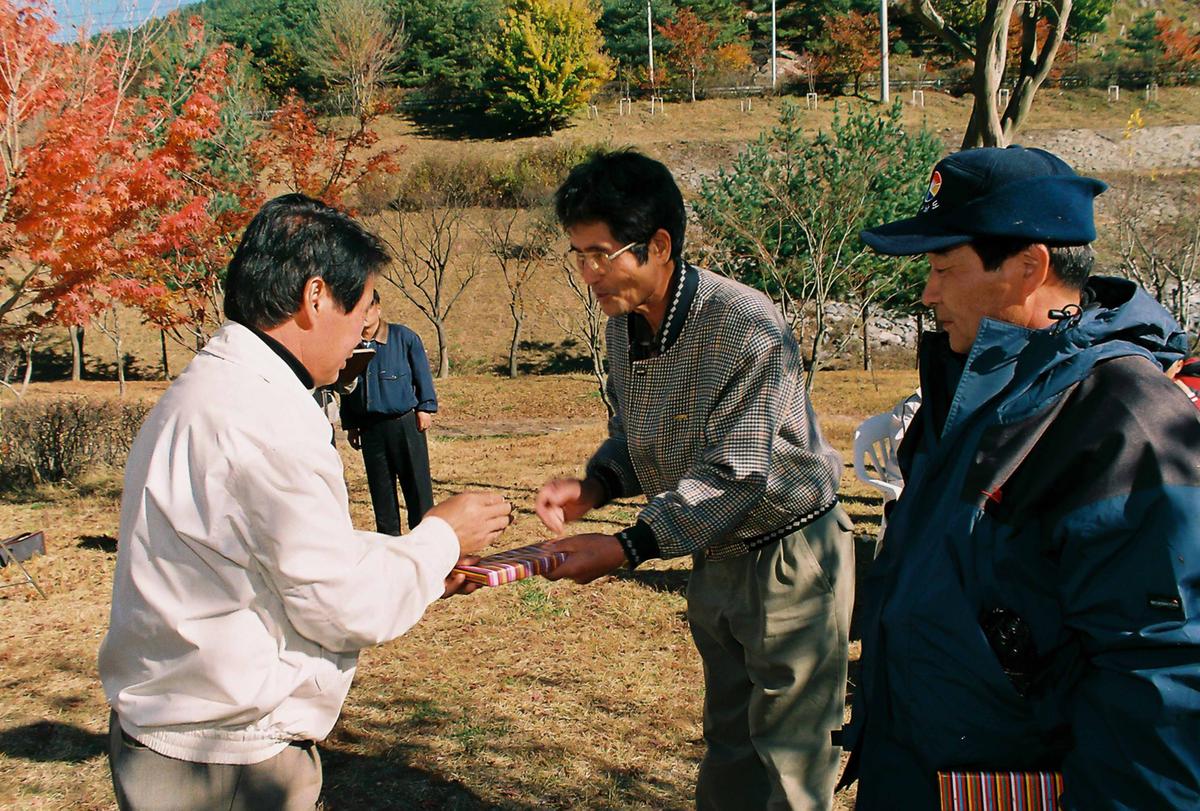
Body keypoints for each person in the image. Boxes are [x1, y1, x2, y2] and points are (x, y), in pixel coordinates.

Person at [98, 194, 512, 811]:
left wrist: (420, 571)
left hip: (175, 734)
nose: (363, 337)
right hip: (227, 763)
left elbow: (282, 558)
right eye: (361, 314)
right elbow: (341, 605)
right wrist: (440, 535)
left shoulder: (212, 389)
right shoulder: (265, 420)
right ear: (316, 297)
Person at [844, 146, 1200, 810]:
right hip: (922, 775)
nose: (928, 294)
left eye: (945, 268)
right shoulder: (974, 391)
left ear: (1029, 267)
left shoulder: (1120, 417)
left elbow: (1162, 677)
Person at [536, 150, 854, 811]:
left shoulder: (742, 321)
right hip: (715, 552)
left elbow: (737, 470)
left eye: (601, 253)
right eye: (579, 255)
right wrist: (593, 485)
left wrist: (626, 546)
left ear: (658, 245)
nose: (589, 273)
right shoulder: (627, 327)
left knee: (792, 763)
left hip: (789, 554)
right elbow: (638, 432)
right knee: (731, 747)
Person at [340, 290, 437, 535]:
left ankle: (426, 544)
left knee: (417, 488)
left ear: (378, 308)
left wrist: (425, 407)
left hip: (404, 423)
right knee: (381, 492)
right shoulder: (348, 344)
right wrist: (351, 424)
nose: (363, 315)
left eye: (368, 308)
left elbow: (421, 374)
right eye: (357, 309)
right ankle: (390, 547)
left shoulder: (403, 337)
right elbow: (346, 386)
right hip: (370, 428)